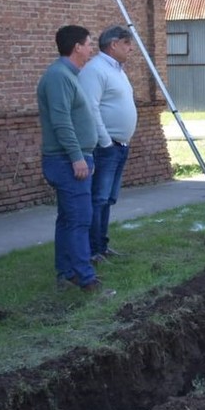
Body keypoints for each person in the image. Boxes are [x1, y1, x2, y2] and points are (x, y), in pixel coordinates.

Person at [37, 25, 113, 295]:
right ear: (77, 47)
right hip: (68, 162)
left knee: (68, 219)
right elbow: (61, 122)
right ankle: (86, 279)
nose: (92, 48)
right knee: (80, 219)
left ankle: (67, 274)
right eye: (89, 44)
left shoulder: (69, 75)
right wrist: (77, 157)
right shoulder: (59, 77)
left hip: (72, 159)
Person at [79, 25, 138, 264]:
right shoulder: (96, 70)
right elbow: (90, 108)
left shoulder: (117, 70)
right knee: (99, 199)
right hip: (106, 147)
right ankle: (92, 251)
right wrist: (105, 142)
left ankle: (102, 246)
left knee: (108, 199)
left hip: (120, 145)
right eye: (127, 44)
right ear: (113, 44)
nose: (131, 49)